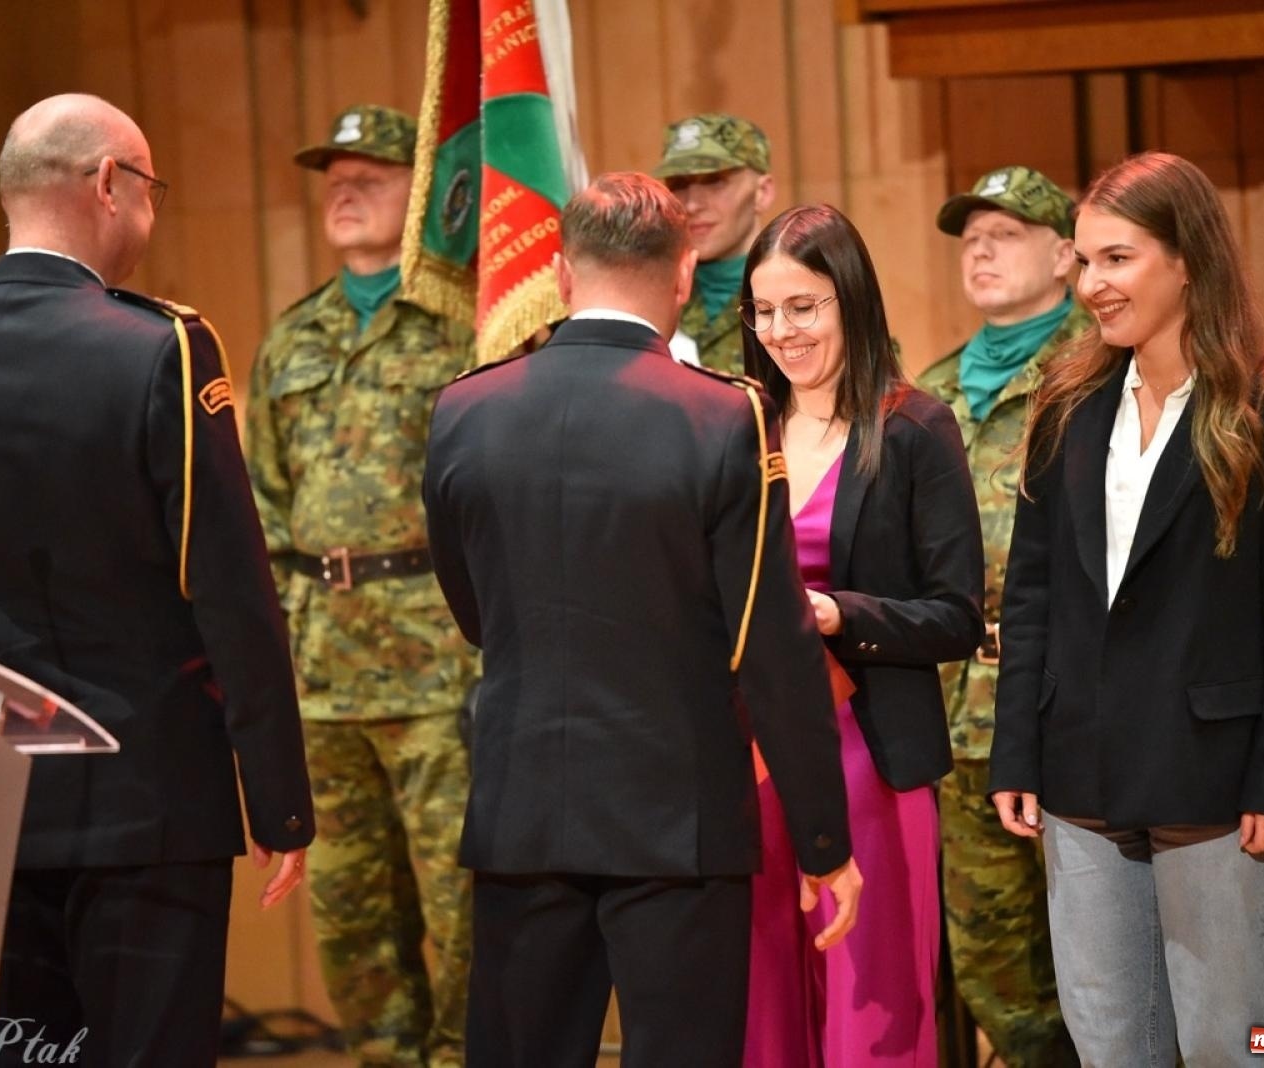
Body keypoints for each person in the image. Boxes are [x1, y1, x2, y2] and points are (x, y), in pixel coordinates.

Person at [0, 93, 314, 1066]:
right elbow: (228, 590)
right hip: (145, 803)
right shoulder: (160, 350)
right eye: (151, 190)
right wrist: (279, 799)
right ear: (111, 184)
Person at [422, 172, 862, 1068]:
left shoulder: (464, 407)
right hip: (679, 820)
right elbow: (769, 641)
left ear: (561, 272)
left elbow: (474, 610)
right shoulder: (723, 414)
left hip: (523, 810)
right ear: (684, 272)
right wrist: (823, 839)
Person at [990, 152, 1264, 1066]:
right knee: (1110, 1047)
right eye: (1086, 260)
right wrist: (1016, 750)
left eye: (1118, 258)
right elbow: (1031, 597)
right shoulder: (1065, 402)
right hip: (1078, 778)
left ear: (1187, 259)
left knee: (1230, 1045)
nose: (1093, 284)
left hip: (1216, 783)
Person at [245, 103, 477, 1067]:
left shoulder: (466, 325)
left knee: (466, 910)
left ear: (421, 193)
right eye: (333, 175)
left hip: (441, 663)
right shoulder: (291, 339)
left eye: (370, 174)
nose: (344, 188)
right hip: (324, 672)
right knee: (350, 924)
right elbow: (261, 507)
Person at [739, 204, 984, 1067]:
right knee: (764, 1013)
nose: (780, 331)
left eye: (803, 307)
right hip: (751, 759)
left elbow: (957, 616)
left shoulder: (915, 428)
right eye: (763, 312)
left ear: (851, 299)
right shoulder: (739, 429)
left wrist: (843, 614)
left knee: (872, 1011)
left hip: (869, 759)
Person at [916, 166, 1084, 1068]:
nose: (980, 248)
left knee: (1102, 953)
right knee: (990, 958)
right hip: (954, 710)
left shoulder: (1104, 369)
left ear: (1066, 255)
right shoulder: (930, 389)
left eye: (1007, 233)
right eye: (971, 235)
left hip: (1070, 704)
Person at [655, 112, 776, 371]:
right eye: (679, 185)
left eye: (715, 182)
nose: (692, 204)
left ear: (762, 193)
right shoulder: (650, 295)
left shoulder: (803, 295)